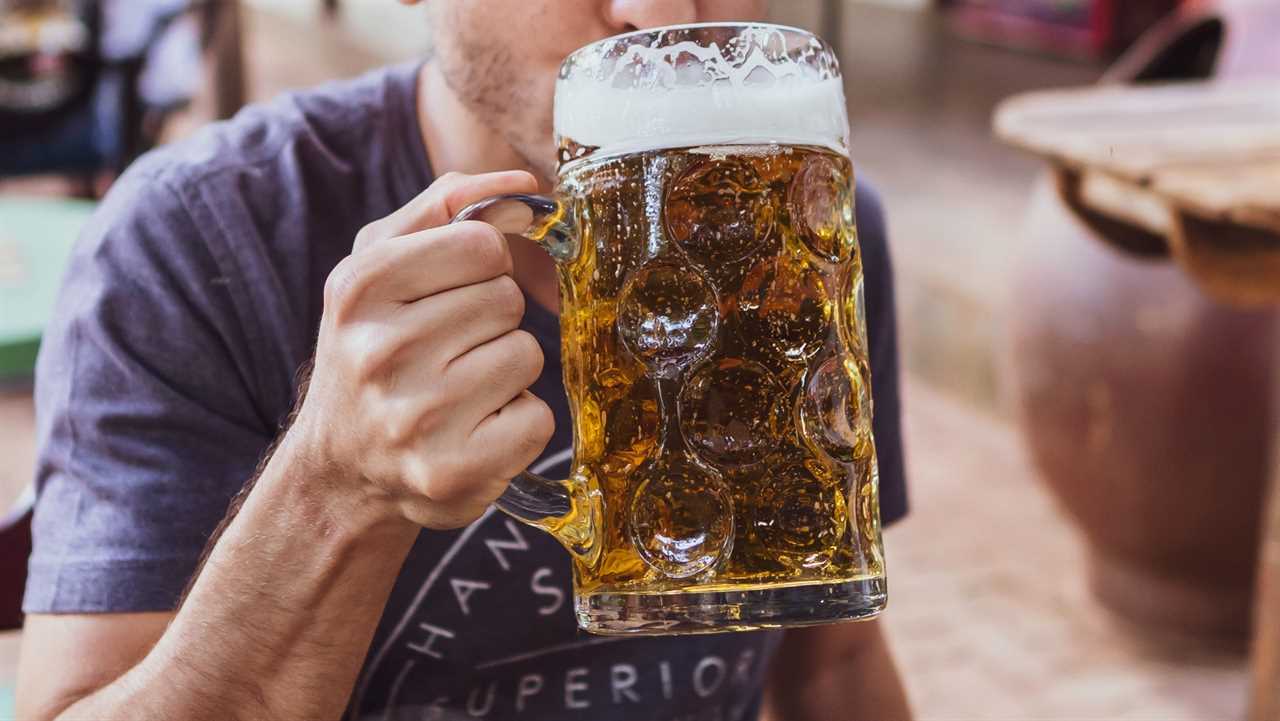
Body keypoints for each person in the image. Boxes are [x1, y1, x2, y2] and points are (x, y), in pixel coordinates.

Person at [15, 1, 912, 719]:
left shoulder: (807, 230)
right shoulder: (198, 242)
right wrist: (331, 487)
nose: (658, 15)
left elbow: (834, 658)